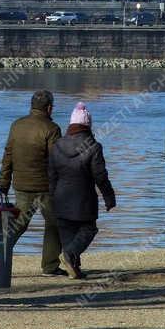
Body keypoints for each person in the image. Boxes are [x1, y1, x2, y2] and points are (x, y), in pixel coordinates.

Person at [0, 89, 65, 276]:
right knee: (54, 223)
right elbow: (57, 161)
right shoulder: (52, 129)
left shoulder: (16, 126)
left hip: (21, 184)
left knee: (19, 225)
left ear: (32, 106)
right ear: (49, 108)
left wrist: (3, 182)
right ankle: (50, 266)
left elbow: (8, 156)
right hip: (46, 187)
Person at [48, 102, 116, 279]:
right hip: (84, 198)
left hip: (61, 198)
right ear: (88, 125)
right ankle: (70, 256)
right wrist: (109, 197)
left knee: (68, 234)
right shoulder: (94, 147)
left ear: (71, 125)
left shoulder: (57, 146)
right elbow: (100, 176)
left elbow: (52, 176)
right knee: (88, 229)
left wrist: (52, 197)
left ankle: (74, 269)